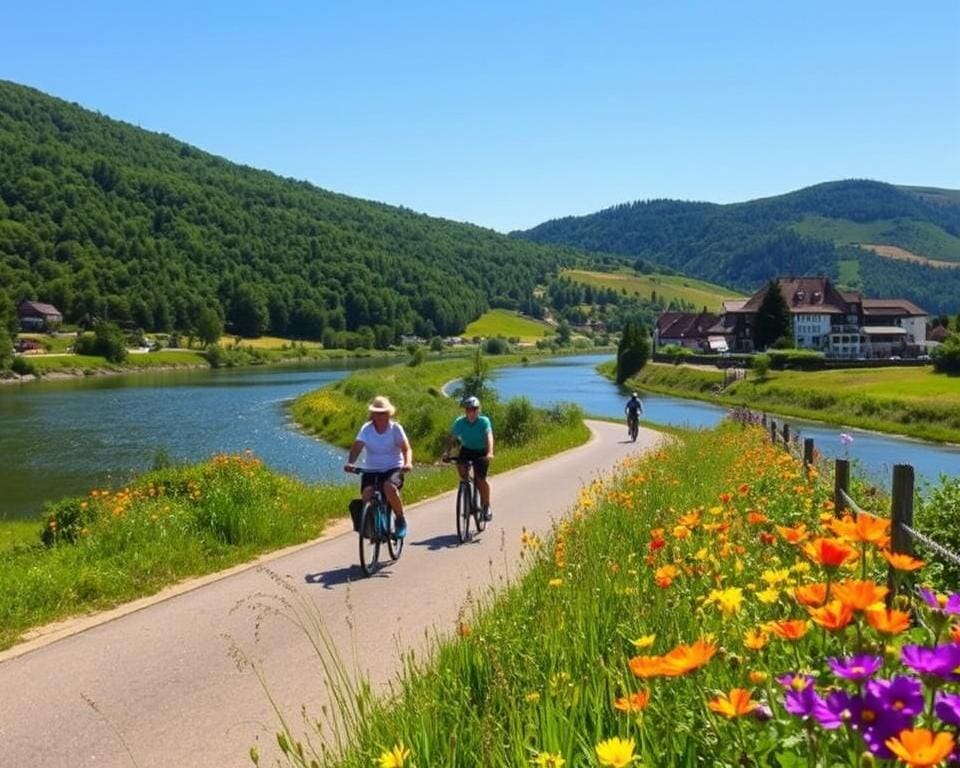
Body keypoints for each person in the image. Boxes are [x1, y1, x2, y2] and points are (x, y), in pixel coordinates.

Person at [344, 395, 413, 538]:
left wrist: (408, 463)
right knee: (367, 493)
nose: (380, 416)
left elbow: (406, 449)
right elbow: (356, 448)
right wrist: (351, 462)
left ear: (388, 414)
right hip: (371, 469)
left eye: (383, 413)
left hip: (393, 468)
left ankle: (400, 519)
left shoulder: (395, 428)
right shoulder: (366, 429)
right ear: (372, 414)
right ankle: (373, 526)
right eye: (376, 413)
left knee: (389, 488)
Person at [446, 395, 495, 520]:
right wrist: (448, 453)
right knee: (462, 473)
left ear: (478, 410)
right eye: (468, 410)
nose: (471, 412)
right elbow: (453, 439)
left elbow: (489, 436)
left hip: (481, 451)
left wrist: (490, 452)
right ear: (465, 411)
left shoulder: (484, 421)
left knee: (481, 479)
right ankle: (467, 489)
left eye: (474, 409)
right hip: (467, 450)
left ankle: (486, 505)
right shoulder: (460, 422)